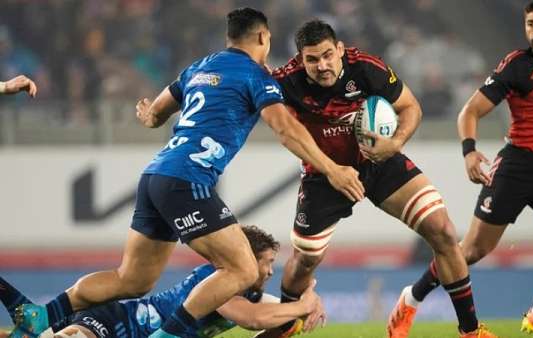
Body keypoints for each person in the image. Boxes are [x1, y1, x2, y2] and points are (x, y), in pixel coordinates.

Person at [9, 8, 362, 338]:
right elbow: (285, 129)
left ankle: (47, 313)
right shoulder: (256, 76)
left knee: (131, 279)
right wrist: (332, 169)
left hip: (156, 176)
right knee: (243, 270)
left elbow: (156, 114)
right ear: (262, 38)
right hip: (187, 180)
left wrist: (147, 115)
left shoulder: (200, 67)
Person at [261, 20, 498, 338]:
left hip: (380, 162)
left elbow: (410, 107)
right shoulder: (286, 82)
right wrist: (332, 170)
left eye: (328, 55)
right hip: (324, 175)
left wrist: (396, 143)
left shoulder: (366, 68)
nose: (322, 65)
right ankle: (286, 322)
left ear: (340, 50)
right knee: (306, 259)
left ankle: (470, 332)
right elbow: (282, 131)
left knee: (442, 232)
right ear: (300, 60)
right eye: (312, 59)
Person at [403, 1, 533, 337]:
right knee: (471, 252)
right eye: (531, 24)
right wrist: (469, 152)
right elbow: (469, 111)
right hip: (516, 168)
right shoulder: (517, 66)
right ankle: (412, 298)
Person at [0, 226, 325, 338]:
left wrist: (306, 305)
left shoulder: (248, 293)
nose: (270, 273)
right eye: (266, 264)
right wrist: (303, 304)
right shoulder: (218, 280)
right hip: (117, 324)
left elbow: (278, 314)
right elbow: (253, 320)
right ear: (246, 259)